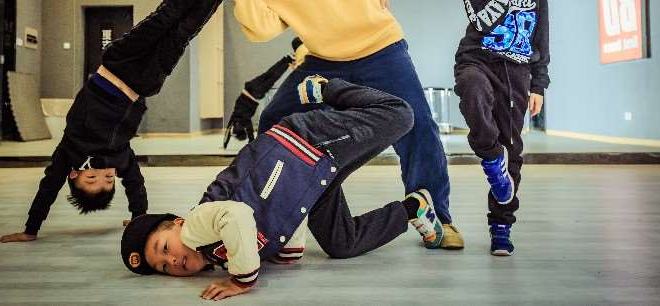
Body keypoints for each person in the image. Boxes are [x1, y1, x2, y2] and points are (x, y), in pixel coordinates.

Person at [193, 0, 463, 249]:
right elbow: (261, 30)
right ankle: (291, 208)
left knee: (418, 125)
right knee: (274, 121)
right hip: (324, 61)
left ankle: (438, 217)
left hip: (380, 48)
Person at [0, 0, 254, 243]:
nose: (103, 171)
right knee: (185, 30)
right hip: (144, 82)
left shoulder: (70, 150)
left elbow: (48, 186)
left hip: (118, 64)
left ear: (74, 174)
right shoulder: (120, 157)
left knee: (167, 15)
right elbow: (136, 185)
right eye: (108, 179)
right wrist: (138, 220)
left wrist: (31, 229)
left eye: (93, 177)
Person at [121, 77, 444, 300]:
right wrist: (283, 252)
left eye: (165, 248)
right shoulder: (218, 255)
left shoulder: (197, 225)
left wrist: (242, 280)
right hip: (311, 180)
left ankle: (327, 88)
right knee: (341, 243)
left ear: (177, 223)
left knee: (400, 115)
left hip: (303, 145)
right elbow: (276, 221)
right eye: (164, 267)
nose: (173, 260)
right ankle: (413, 208)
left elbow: (237, 216)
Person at [453, 0, 550, 256]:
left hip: (517, 74)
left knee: (514, 150)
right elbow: (484, 24)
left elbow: (541, 39)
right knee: (473, 90)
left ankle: (501, 225)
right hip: (477, 62)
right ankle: (491, 157)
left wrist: (538, 85)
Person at [223, 37, 306, 148]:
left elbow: (249, 132)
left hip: (255, 94)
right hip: (248, 89)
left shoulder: (243, 120)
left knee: (273, 76)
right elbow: (229, 131)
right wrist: (225, 144)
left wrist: (251, 142)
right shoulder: (236, 118)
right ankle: (287, 59)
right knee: (270, 73)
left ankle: (288, 60)